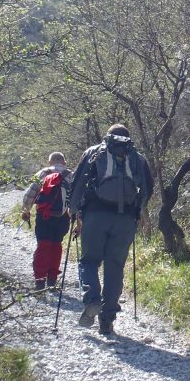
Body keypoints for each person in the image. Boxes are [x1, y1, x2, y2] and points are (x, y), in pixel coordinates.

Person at [69, 123, 153, 335]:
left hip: (95, 215)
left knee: (88, 261)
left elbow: (78, 182)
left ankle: (92, 299)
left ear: (108, 137)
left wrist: (73, 210)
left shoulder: (93, 152)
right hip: (125, 220)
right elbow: (147, 188)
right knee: (114, 267)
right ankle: (107, 319)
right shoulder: (137, 158)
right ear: (128, 139)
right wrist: (137, 212)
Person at [21, 152, 73, 291]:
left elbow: (31, 194)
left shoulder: (44, 173)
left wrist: (26, 211)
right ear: (64, 162)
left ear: (50, 162)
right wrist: (78, 221)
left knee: (43, 245)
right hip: (63, 217)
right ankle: (52, 279)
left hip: (44, 216)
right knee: (57, 245)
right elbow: (76, 198)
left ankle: (39, 279)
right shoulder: (71, 175)